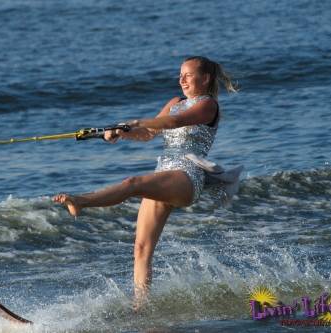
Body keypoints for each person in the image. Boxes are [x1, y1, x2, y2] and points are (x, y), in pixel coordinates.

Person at [53, 56, 238, 309]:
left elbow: (173, 122)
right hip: (164, 172)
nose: (181, 79)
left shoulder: (208, 105)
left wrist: (135, 122)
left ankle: (82, 201)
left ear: (204, 78)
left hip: (187, 176)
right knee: (141, 249)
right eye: (180, 75)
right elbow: (149, 133)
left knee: (133, 182)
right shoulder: (175, 102)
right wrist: (121, 132)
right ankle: (141, 307)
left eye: (188, 74)